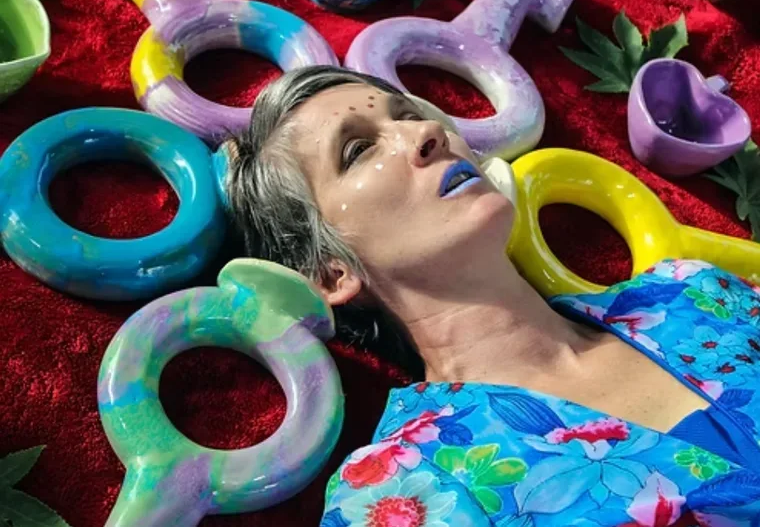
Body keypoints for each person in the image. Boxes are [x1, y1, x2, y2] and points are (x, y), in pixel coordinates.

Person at [225, 65, 760, 527]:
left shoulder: (691, 293)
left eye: (408, 114)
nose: (428, 131)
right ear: (330, 274)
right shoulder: (403, 488)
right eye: (358, 149)